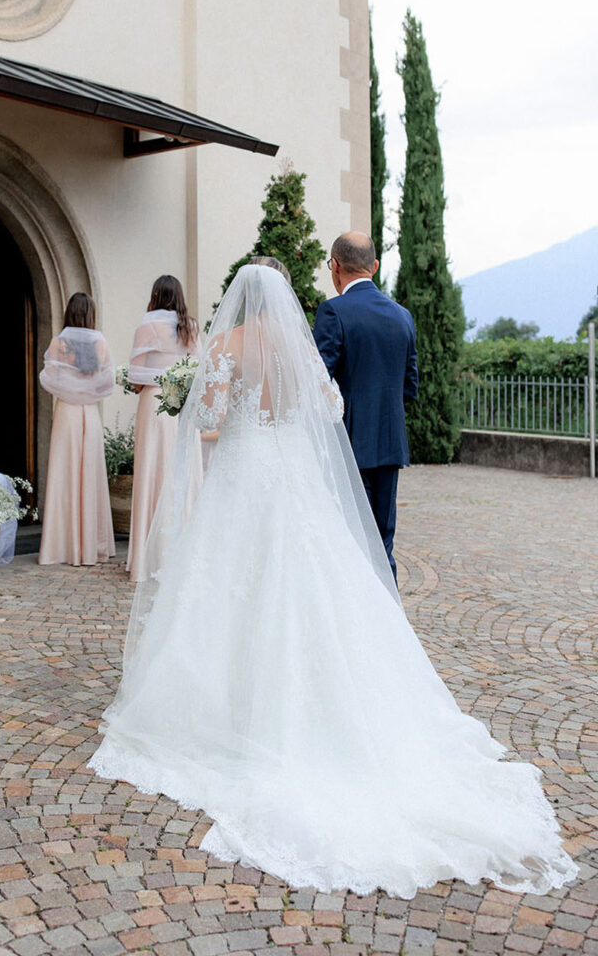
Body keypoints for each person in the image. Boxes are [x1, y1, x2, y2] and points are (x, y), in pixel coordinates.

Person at [87, 263, 577, 898]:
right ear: (287, 297)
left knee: (226, 591)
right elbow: (332, 405)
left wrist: (214, 407)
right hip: (292, 483)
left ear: (241, 295)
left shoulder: (228, 345)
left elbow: (205, 417)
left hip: (241, 480)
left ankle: (227, 709)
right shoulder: (297, 344)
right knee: (315, 587)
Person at [313, 232, 418, 582]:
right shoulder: (403, 316)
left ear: (335, 266)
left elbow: (319, 382)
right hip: (389, 446)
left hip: (348, 447)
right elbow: (410, 387)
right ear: (374, 266)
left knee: (349, 543)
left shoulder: (333, 311)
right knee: (382, 544)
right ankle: (391, 625)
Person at [127, 275, 201, 581]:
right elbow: (198, 371)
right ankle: (180, 554)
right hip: (182, 406)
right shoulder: (191, 328)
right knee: (179, 474)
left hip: (154, 405)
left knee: (150, 474)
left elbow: (135, 376)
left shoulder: (147, 327)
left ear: (155, 296)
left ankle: (147, 557)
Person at [38, 292, 115, 566]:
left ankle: (62, 546)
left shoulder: (60, 343)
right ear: (89, 314)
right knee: (90, 474)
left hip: (67, 413)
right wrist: (86, 392)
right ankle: (91, 545)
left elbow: (48, 379)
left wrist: (71, 391)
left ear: (69, 313)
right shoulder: (100, 343)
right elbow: (108, 382)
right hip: (89, 413)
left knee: (64, 474)